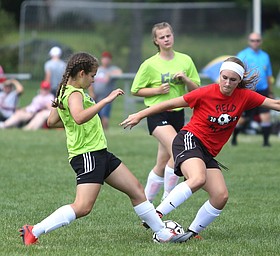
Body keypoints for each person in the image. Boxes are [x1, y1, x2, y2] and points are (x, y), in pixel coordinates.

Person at [120, 56, 280, 240]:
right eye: (224, 77)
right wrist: (139, 115)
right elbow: (169, 103)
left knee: (220, 195)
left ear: (239, 80)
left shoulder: (244, 97)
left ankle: (190, 234)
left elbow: (275, 104)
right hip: (189, 140)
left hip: (207, 152)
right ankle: (156, 214)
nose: (227, 83)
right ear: (219, 75)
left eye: (232, 80)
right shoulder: (205, 92)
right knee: (198, 178)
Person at [19, 52, 193, 246]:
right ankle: (33, 230)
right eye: (92, 76)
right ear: (82, 73)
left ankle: (162, 233)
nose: (93, 80)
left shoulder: (64, 91)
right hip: (87, 155)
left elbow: (52, 121)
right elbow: (78, 117)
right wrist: (105, 101)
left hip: (100, 152)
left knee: (136, 190)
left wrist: (73, 121)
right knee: (83, 207)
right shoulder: (75, 93)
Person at [131, 22, 200, 203]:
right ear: (156, 41)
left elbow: (196, 90)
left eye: (168, 35)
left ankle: (145, 204)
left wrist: (185, 79)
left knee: (162, 164)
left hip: (177, 114)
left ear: (173, 36)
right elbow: (135, 90)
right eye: (162, 37)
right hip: (157, 114)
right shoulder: (149, 65)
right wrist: (156, 91)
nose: (166, 39)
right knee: (177, 150)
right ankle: (167, 200)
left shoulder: (185, 60)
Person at [232, 32, 274, 146]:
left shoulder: (265, 56)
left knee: (266, 116)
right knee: (243, 118)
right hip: (248, 91)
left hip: (263, 90)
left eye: (257, 40)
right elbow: (237, 74)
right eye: (252, 40)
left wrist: (270, 91)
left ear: (261, 42)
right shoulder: (242, 55)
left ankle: (266, 143)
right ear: (248, 41)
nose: (255, 43)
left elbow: (268, 75)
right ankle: (234, 138)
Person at [88, 51, 122, 129]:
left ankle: (105, 131)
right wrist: (91, 92)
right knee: (96, 116)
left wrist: (110, 75)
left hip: (107, 97)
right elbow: (90, 82)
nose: (105, 60)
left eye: (107, 59)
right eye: (104, 58)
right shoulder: (98, 69)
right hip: (96, 97)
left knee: (104, 115)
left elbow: (119, 73)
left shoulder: (112, 69)